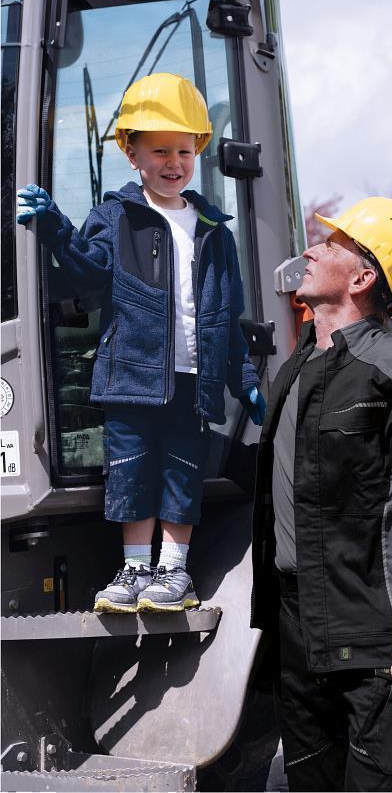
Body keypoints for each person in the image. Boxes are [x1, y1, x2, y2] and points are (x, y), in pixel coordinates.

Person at [17, 71, 265, 614]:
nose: (174, 162)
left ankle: (173, 574)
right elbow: (86, 275)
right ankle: (134, 570)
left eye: (184, 149)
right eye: (159, 151)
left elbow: (229, 314)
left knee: (181, 471)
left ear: (197, 151)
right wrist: (57, 227)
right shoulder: (115, 218)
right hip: (130, 377)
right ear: (132, 155)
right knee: (130, 471)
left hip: (190, 381)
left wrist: (242, 379)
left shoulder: (214, 232)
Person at [251, 197, 392, 792]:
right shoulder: (297, 369)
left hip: (374, 639)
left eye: (332, 243)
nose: (312, 248)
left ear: (362, 276)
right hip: (298, 631)